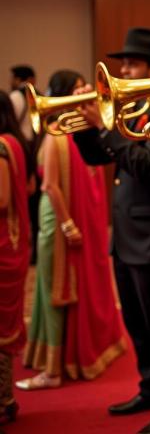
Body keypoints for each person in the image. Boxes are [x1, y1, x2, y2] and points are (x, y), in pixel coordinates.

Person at [74, 28, 150, 434]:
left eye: (132, 64)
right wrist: (86, 126)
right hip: (125, 237)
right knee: (138, 324)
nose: (124, 70)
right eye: (123, 64)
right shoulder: (126, 113)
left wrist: (106, 130)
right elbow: (96, 156)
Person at [15, 70, 125, 391]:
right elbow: (50, 186)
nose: (83, 96)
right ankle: (52, 368)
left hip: (78, 220)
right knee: (56, 290)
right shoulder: (56, 134)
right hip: (59, 222)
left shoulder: (81, 133)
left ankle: (70, 356)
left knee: (74, 285)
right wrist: (67, 224)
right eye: (76, 91)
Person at [0, 91, 33, 425]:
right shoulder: (16, 140)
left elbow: (2, 200)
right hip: (13, 241)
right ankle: (6, 397)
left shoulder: (0, 145)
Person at [9, 65, 41, 264]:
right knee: (35, 205)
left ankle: (26, 250)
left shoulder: (15, 97)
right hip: (35, 149)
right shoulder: (37, 95)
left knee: (24, 204)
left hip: (22, 150)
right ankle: (35, 251)